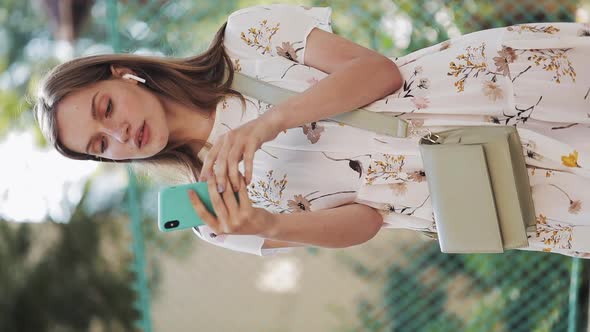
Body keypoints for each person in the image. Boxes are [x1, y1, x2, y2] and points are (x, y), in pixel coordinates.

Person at [34, 4, 590, 257]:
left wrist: (268, 123)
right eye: (100, 147)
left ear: (124, 74)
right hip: (497, 191)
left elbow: (379, 72)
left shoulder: (245, 38)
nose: (120, 134)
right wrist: (270, 223)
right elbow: (367, 222)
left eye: (105, 109)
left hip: (499, 87)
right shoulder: (218, 216)